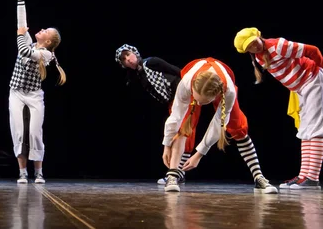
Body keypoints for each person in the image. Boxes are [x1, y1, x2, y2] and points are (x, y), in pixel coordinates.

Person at [234, 27, 323, 190]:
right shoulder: (258, 58)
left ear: (259, 36)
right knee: (305, 130)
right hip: (302, 88)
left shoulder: (278, 45)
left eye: (254, 42)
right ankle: (304, 176)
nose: (254, 47)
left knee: (315, 129)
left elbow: (312, 50)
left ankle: (312, 178)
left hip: (314, 81)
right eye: (249, 47)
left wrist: (322, 68)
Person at [162, 57, 278, 194]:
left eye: (203, 102)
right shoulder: (187, 83)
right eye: (197, 100)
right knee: (183, 127)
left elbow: (218, 124)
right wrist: (167, 144)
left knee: (238, 127)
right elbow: (175, 117)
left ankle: (259, 177)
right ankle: (173, 175)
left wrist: (199, 154)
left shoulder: (228, 92)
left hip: (223, 87)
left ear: (215, 96)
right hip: (195, 84)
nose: (198, 105)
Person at [8, 0, 66, 184]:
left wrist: (19, 35)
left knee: (34, 132)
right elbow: (21, 24)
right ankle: (22, 172)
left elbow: (24, 50)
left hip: (33, 95)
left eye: (44, 32)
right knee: (18, 130)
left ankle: (38, 171)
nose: (40, 31)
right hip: (16, 91)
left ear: (47, 42)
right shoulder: (30, 42)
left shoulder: (46, 55)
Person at [114, 44, 195, 185]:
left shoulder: (151, 62)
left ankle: (175, 174)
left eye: (128, 54)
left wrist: (193, 87)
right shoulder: (137, 75)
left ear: (135, 52)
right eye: (124, 59)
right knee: (180, 134)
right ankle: (178, 174)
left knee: (182, 133)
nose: (128, 59)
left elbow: (177, 71)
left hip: (183, 95)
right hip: (173, 102)